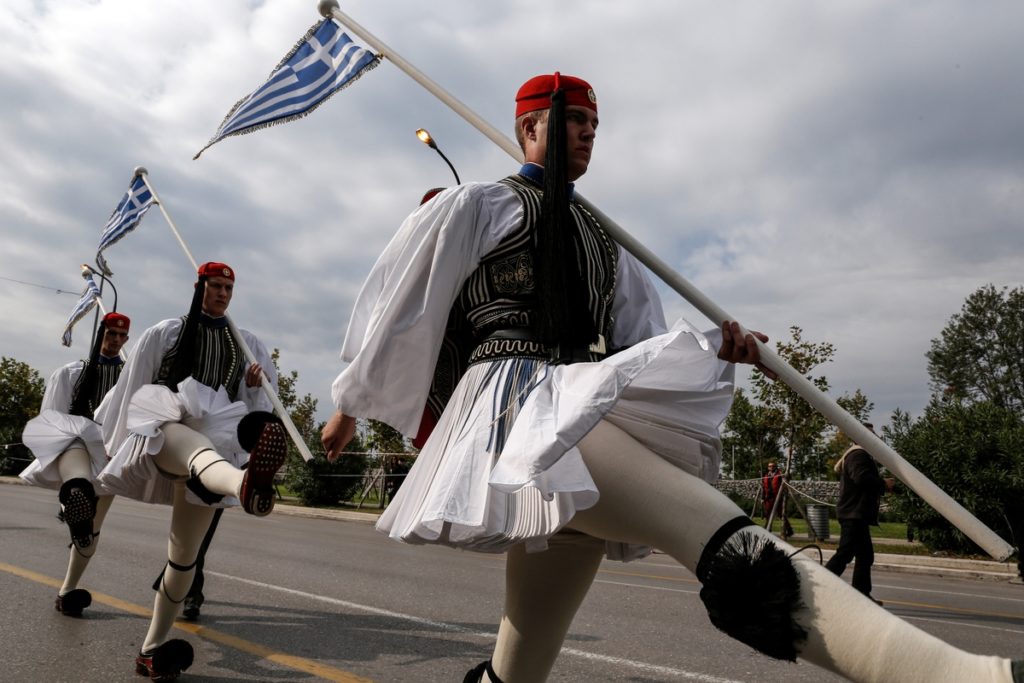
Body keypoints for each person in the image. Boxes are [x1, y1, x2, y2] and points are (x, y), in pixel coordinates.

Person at [322, 74, 1022, 683]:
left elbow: (643, 345)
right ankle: (968, 674)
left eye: (595, 124)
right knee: (713, 529)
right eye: (574, 120)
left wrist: (721, 351)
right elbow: (400, 301)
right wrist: (351, 403)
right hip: (513, 409)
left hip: (575, 400)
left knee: (522, 663)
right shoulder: (476, 205)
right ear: (529, 126)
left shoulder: (607, 241)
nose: (589, 133)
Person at [96, 262, 287, 680]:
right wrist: (113, 448)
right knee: (193, 444)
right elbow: (132, 386)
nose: (223, 294)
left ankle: (150, 651)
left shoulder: (246, 343)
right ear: (200, 287)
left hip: (217, 446)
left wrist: (253, 388)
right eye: (216, 286)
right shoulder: (165, 333)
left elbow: (247, 412)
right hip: (166, 429)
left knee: (183, 559)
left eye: (229, 288)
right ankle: (244, 483)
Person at [20, 311, 131, 617]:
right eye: (111, 335)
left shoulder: (131, 377)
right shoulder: (72, 373)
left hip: (110, 460)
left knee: (91, 531)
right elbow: (53, 420)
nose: (116, 342)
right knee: (81, 489)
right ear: (100, 336)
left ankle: (67, 590)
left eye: (122, 337)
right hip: (78, 450)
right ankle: (73, 497)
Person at [825, 423, 894, 605]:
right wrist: (883, 484)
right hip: (853, 513)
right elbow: (861, 478)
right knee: (846, 553)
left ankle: (861, 596)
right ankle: (820, 588)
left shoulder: (859, 455)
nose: (875, 438)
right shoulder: (858, 455)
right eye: (871, 435)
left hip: (856, 513)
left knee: (864, 555)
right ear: (861, 437)